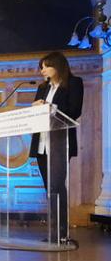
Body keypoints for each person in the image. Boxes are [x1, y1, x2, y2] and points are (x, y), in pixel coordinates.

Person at [29, 52, 84, 244]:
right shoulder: (42, 87)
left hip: (60, 143)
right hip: (42, 144)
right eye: (41, 67)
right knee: (49, 189)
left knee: (58, 186)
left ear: (57, 66)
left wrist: (49, 107)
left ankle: (62, 232)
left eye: (45, 66)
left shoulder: (74, 83)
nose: (42, 70)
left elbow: (74, 111)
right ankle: (53, 232)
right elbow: (36, 115)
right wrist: (36, 109)